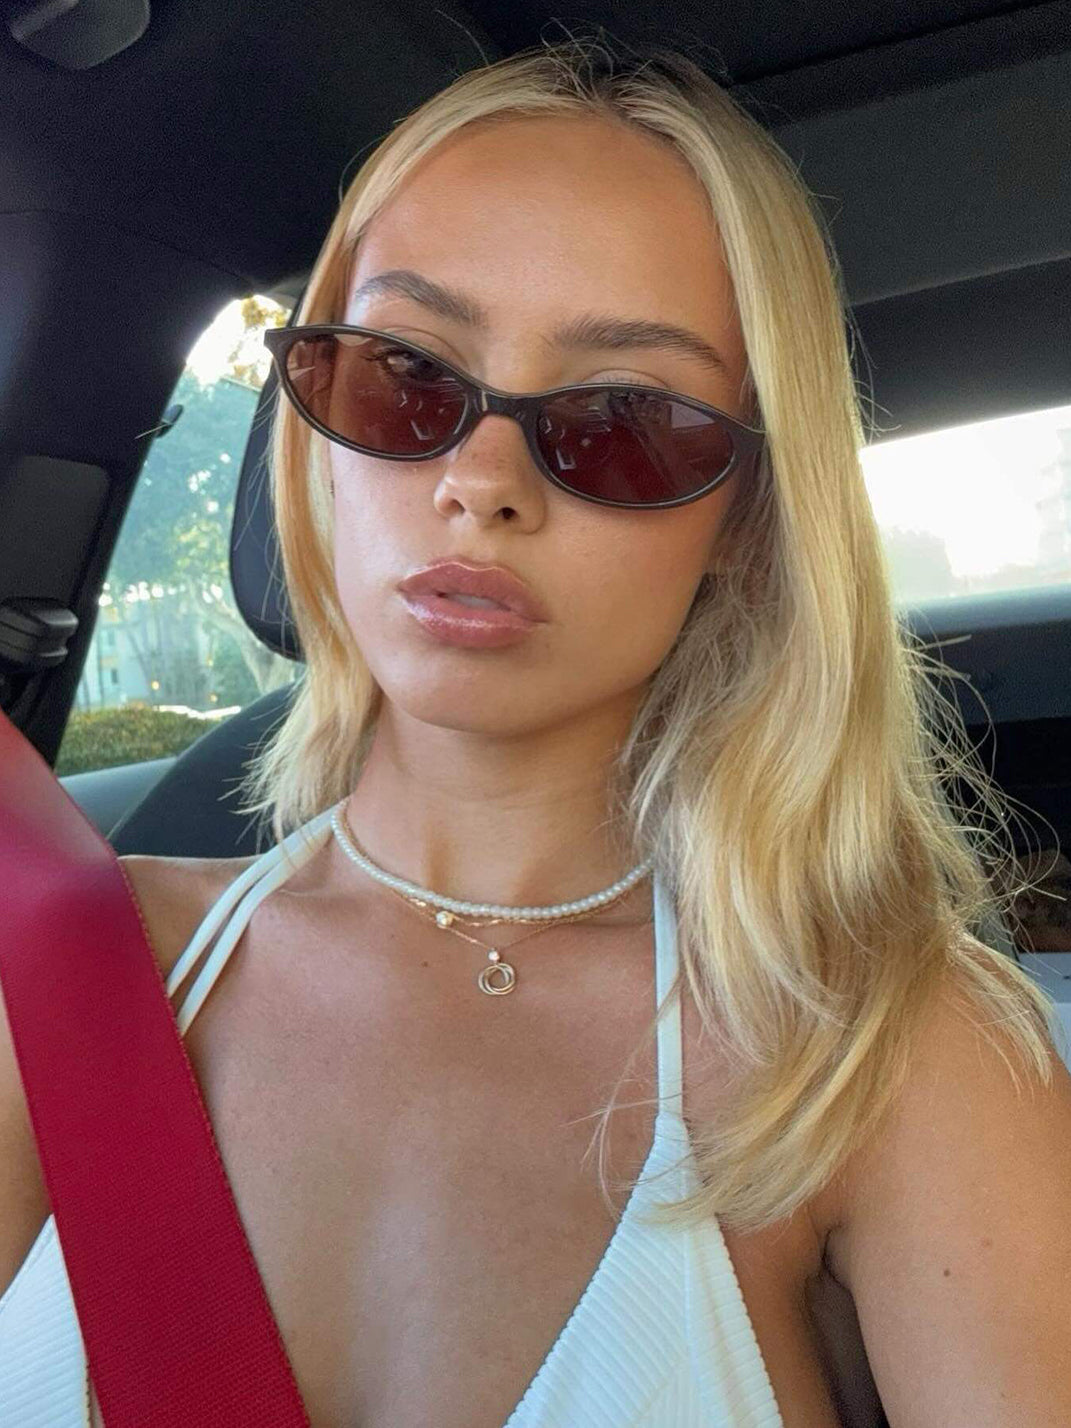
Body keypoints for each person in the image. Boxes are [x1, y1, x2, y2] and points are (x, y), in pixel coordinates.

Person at [2, 35, 1070, 1428]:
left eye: (625, 419)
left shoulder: (891, 1056)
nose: (481, 478)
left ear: (748, 519)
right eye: (403, 371)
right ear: (308, 429)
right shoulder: (56, 974)